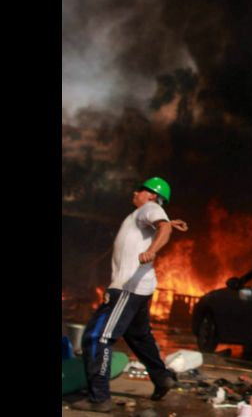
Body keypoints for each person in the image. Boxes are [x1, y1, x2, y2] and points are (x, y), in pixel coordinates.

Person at [73, 177, 178, 413]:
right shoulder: (143, 214)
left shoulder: (149, 208)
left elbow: (165, 228)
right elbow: (162, 225)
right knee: (139, 336)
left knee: (97, 337)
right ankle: (162, 378)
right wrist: (166, 224)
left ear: (152, 195)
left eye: (140, 189)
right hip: (140, 288)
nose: (135, 192)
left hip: (127, 289)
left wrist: (152, 250)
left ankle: (99, 398)